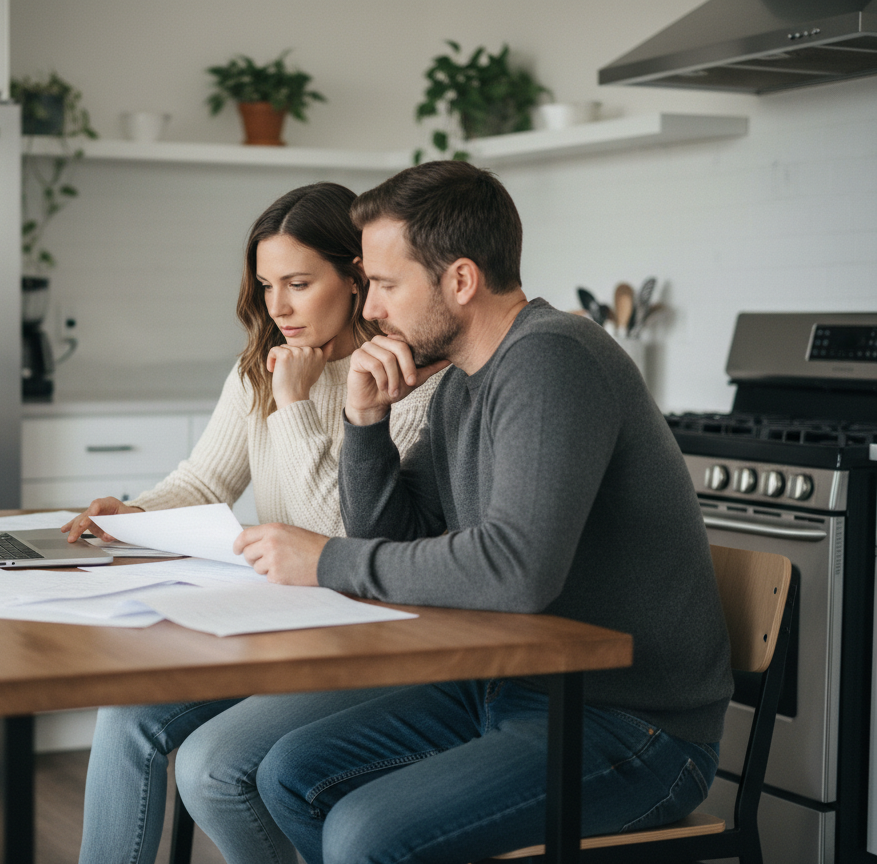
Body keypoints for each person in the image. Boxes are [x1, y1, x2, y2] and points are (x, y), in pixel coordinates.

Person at [226, 161, 734, 864]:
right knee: (289, 775)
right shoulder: (466, 381)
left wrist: (324, 560)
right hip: (511, 688)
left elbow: (515, 569)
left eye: (385, 284)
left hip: (630, 725)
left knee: (363, 832)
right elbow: (395, 538)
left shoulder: (552, 361)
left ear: (460, 280)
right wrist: (366, 421)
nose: (370, 307)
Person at [63, 182, 446, 864]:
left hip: (367, 636)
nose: (277, 306)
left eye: (298, 283)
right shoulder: (259, 370)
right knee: (126, 716)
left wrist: (298, 404)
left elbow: (349, 536)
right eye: (267, 284)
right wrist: (133, 511)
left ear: (356, 278)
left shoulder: (406, 383)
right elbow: (205, 481)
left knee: (211, 767)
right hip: (279, 621)